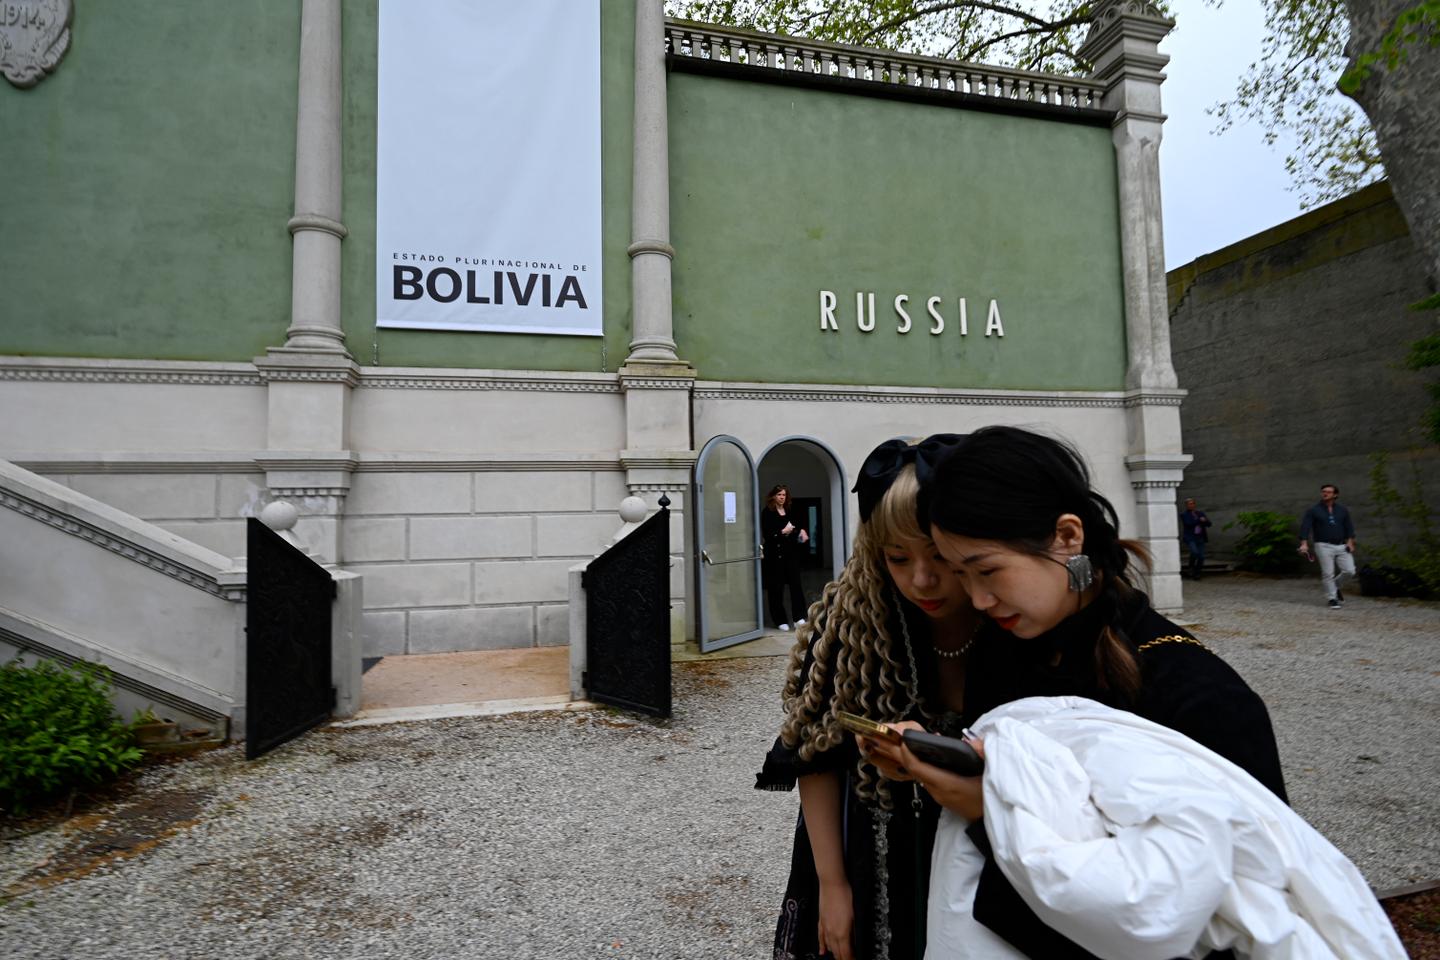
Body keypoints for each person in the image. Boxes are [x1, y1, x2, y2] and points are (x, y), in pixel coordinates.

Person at [861, 426, 1286, 960]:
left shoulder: (1200, 696)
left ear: (1067, 537)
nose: (978, 598)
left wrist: (987, 812)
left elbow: (1221, 921)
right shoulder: (1008, 649)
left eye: (987, 570)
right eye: (962, 573)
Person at [758, 435, 981, 960]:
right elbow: (814, 753)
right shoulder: (851, 621)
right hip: (869, 847)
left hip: (981, 847)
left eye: (940, 557)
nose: (922, 579)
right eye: (898, 558)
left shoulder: (1010, 615)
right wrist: (832, 886)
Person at [1298, 483, 1357, 609]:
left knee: (1350, 571)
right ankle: (1332, 598)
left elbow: (1349, 526)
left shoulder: (1342, 510)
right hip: (1323, 545)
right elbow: (1305, 527)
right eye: (1323, 491)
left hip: (1341, 545)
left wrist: (1350, 542)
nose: (1325, 493)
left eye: (1329, 492)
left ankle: (1335, 586)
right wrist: (1304, 543)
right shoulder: (1313, 510)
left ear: (1335, 495)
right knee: (1328, 573)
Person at [762, 484, 812, 630]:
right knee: (776, 589)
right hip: (774, 556)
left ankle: (798, 617)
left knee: (796, 586)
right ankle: (779, 620)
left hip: (791, 554)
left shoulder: (790, 510)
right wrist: (783, 531)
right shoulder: (767, 512)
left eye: (784, 495)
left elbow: (798, 525)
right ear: (773, 496)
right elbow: (768, 535)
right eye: (779, 495)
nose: (782, 498)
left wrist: (802, 530)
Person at [1178, 496, 1212, 580]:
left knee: (1201, 556)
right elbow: (1188, 524)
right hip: (1190, 537)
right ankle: (1191, 567)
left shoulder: (1200, 513)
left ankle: (1197, 572)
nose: (1191, 505)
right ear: (1186, 505)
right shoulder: (1184, 514)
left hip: (1200, 537)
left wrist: (1205, 521)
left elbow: (1209, 524)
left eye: (1193, 503)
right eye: (1189, 504)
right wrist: (1200, 520)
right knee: (1194, 552)